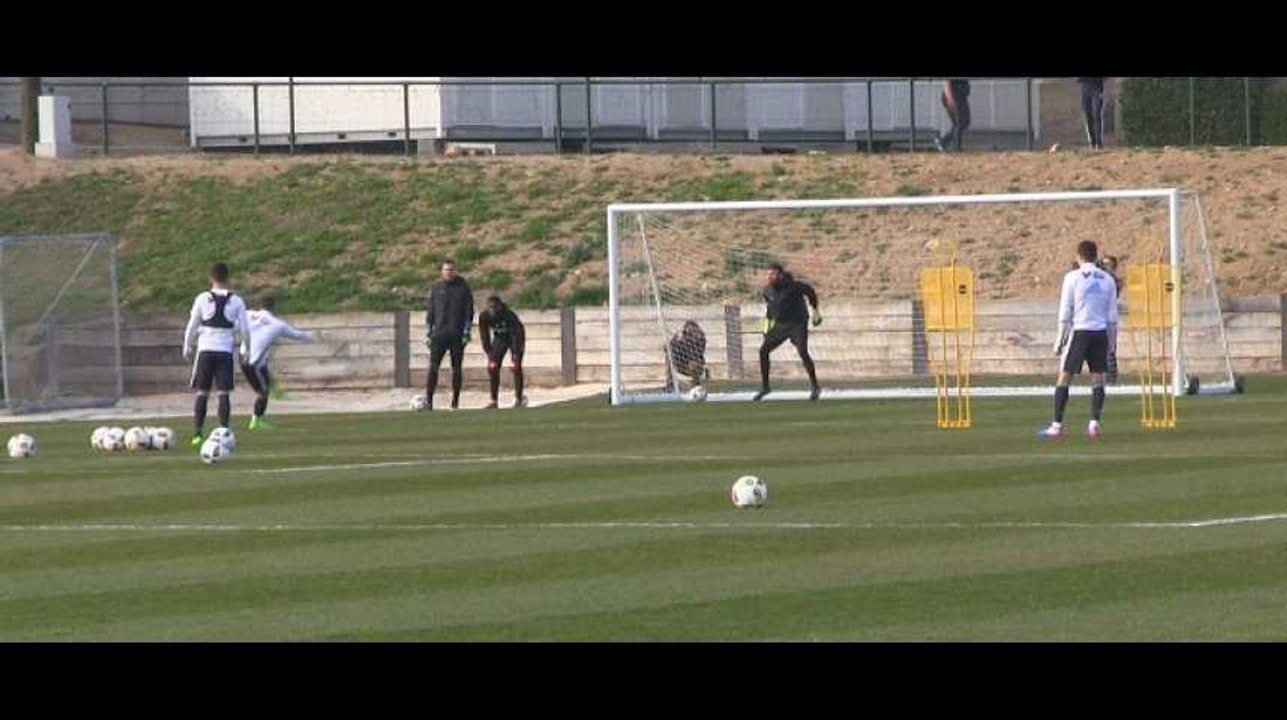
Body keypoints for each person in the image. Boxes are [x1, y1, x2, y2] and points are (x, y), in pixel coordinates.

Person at [1041, 240, 1118, 438]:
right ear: (1095, 255)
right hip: (1100, 332)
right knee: (1098, 378)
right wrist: (1112, 343)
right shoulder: (1108, 279)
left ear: (1079, 256)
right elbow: (1112, 316)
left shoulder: (1072, 278)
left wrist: (1059, 340)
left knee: (1064, 377)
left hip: (1080, 332)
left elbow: (1065, 311)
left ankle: (1057, 425)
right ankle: (1094, 423)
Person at [182, 262, 251, 447]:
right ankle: (223, 434)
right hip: (224, 352)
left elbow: (192, 325)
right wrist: (247, 349)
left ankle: (197, 434)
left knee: (202, 393)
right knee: (223, 394)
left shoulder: (202, 298)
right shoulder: (236, 301)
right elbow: (245, 329)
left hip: (205, 351)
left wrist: (187, 346)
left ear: (210, 278)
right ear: (228, 278)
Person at [239, 296, 315, 431]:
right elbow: (297, 335)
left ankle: (277, 392)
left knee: (264, 369)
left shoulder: (248, 314)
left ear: (260, 306)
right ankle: (255, 422)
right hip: (252, 364)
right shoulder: (277, 324)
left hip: (243, 357)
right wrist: (314, 338)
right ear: (273, 308)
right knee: (263, 392)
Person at [754, 263, 823, 402]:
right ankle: (765, 387)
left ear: (780, 275)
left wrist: (815, 311)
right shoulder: (767, 290)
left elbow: (810, 291)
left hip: (797, 323)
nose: (769, 277)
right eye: (768, 274)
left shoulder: (794, 286)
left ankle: (815, 387)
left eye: (772, 274)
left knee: (803, 351)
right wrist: (766, 328)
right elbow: (770, 310)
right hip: (780, 326)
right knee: (763, 351)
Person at [424, 259, 474, 411]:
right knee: (433, 367)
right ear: (442, 271)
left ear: (455, 271)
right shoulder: (436, 287)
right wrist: (428, 332)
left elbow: (469, 312)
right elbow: (431, 311)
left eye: (451, 270)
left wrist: (466, 331)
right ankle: (429, 401)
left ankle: (455, 402)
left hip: (456, 335)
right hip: (439, 334)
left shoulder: (463, 288)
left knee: (456, 368)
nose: (449, 272)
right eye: (446, 270)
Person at [478, 295, 527, 409]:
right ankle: (494, 400)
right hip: (500, 338)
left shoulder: (509, 315)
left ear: (499, 307)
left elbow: (517, 334)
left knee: (516, 367)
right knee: (492, 368)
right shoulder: (484, 316)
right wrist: (490, 356)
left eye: (495, 308)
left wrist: (515, 355)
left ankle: (519, 399)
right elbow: (484, 337)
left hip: (515, 337)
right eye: (490, 308)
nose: (493, 310)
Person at [1097, 254, 1123, 384]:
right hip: (1097, 318)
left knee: (1110, 350)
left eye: (1109, 264)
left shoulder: (1114, 281)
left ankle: (1111, 376)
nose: (1106, 267)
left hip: (1109, 319)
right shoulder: (1101, 279)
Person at [665, 319, 707, 393]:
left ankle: (695, 385)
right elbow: (666, 348)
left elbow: (698, 352)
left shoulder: (700, 338)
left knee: (694, 365)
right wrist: (677, 338)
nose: (690, 332)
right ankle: (670, 385)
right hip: (680, 364)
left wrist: (687, 340)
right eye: (688, 329)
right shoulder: (680, 338)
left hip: (693, 366)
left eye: (692, 330)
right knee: (669, 357)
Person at [936, 78, 972, 152]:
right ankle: (956, 147)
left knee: (964, 122)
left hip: (961, 96)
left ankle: (943, 142)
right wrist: (950, 98)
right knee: (960, 122)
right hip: (954, 96)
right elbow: (947, 83)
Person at [1078, 77, 1106, 149]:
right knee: (1087, 115)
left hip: (1097, 87)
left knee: (1097, 113)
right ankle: (1092, 142)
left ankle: (1099, 142)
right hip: (1085, 87)